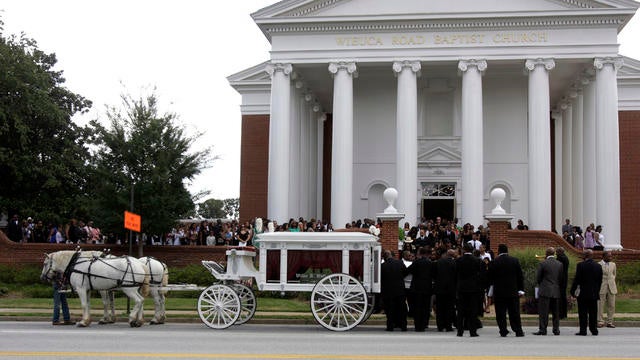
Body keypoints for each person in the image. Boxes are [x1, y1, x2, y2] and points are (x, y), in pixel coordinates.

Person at [488, 244, 525, 337]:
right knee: (514, 312)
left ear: (499, 251)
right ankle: (518, 330)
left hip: (499, 292)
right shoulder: (514, 261)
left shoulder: (494, 262)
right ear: (507, 251)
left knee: (500, 313)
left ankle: (503, 330)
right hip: (512, 291)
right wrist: (521, 289)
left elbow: (490, 277)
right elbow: (520, 276)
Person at [570, 249, 603, 336]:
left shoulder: (581, 265)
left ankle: (583, 330)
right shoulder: (598, 266)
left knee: (583, 312)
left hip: (583, 293)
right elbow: (600, 280)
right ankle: (594, 329)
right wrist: (597, 290)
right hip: (593, 293)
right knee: (593, 312)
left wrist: (572, 291)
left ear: (585, 256)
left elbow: (577, 279)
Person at [455, 242, 485, 337]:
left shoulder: (458, 260)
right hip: (473, 288)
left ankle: (460, 331)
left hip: (462, 288)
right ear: (472, 250)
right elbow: (481, 275)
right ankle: (473, 331)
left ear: (464, 250)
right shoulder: (477, 260)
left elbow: (455, 274)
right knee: (472, 311)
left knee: (461, 311)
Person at [534, 247, 562, 336]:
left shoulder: (543, 263)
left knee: (543, 312)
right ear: (554, 254)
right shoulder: (559, 264)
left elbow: (539, 277)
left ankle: (543, 329)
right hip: (556, 290)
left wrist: (542, 284)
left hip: (545, 290)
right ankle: (556, 329)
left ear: (546, 253)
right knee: (556, 312)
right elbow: (561, 278)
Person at [406, 247, 433, 332]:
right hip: (427, 288)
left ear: (420, 253)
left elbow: (408, 271)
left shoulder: (416, 262)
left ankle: (418, 325)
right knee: (426, 307)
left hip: (416, 287)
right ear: (426, 254)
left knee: (417, 307)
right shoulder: (430, 263)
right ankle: (424, 324)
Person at [381, 250, 407, 331]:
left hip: (388, 290)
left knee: (389, 310)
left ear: (385, 257)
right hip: (400, 289)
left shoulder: (383, 266)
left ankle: (390, 326)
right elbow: (405, 272)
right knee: (402, 309)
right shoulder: (400, 263)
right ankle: (403, 326)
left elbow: (381, 277)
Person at [434, 248, 456, 332]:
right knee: (449, 308)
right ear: (452, 255)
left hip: (439, 288)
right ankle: (448, 326)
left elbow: (434, 274)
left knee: (440, 308)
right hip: (450, 288)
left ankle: (440, 326)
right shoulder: (454, 263)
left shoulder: (438, 262)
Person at [598, 251, 617, 328]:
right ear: (603, 257)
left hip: (611, 287)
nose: (610, 258)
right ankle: (600, 321)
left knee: (611, 305)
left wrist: (611, 282)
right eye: (609, 256)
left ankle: (609, 322)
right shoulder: (599, 264)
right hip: (602, 287)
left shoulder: (613, 264)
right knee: (600, 305)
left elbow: (614, 275)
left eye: (611, 256)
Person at [556, 247, 570, 319]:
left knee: (560, 297)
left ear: (559, 252)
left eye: (557, 252)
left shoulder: (561, 258)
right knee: (563, 297)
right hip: (564, 279)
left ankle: (561, 314)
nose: (556, 253)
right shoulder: (565, 257)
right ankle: (564, 314)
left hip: (561, 280)